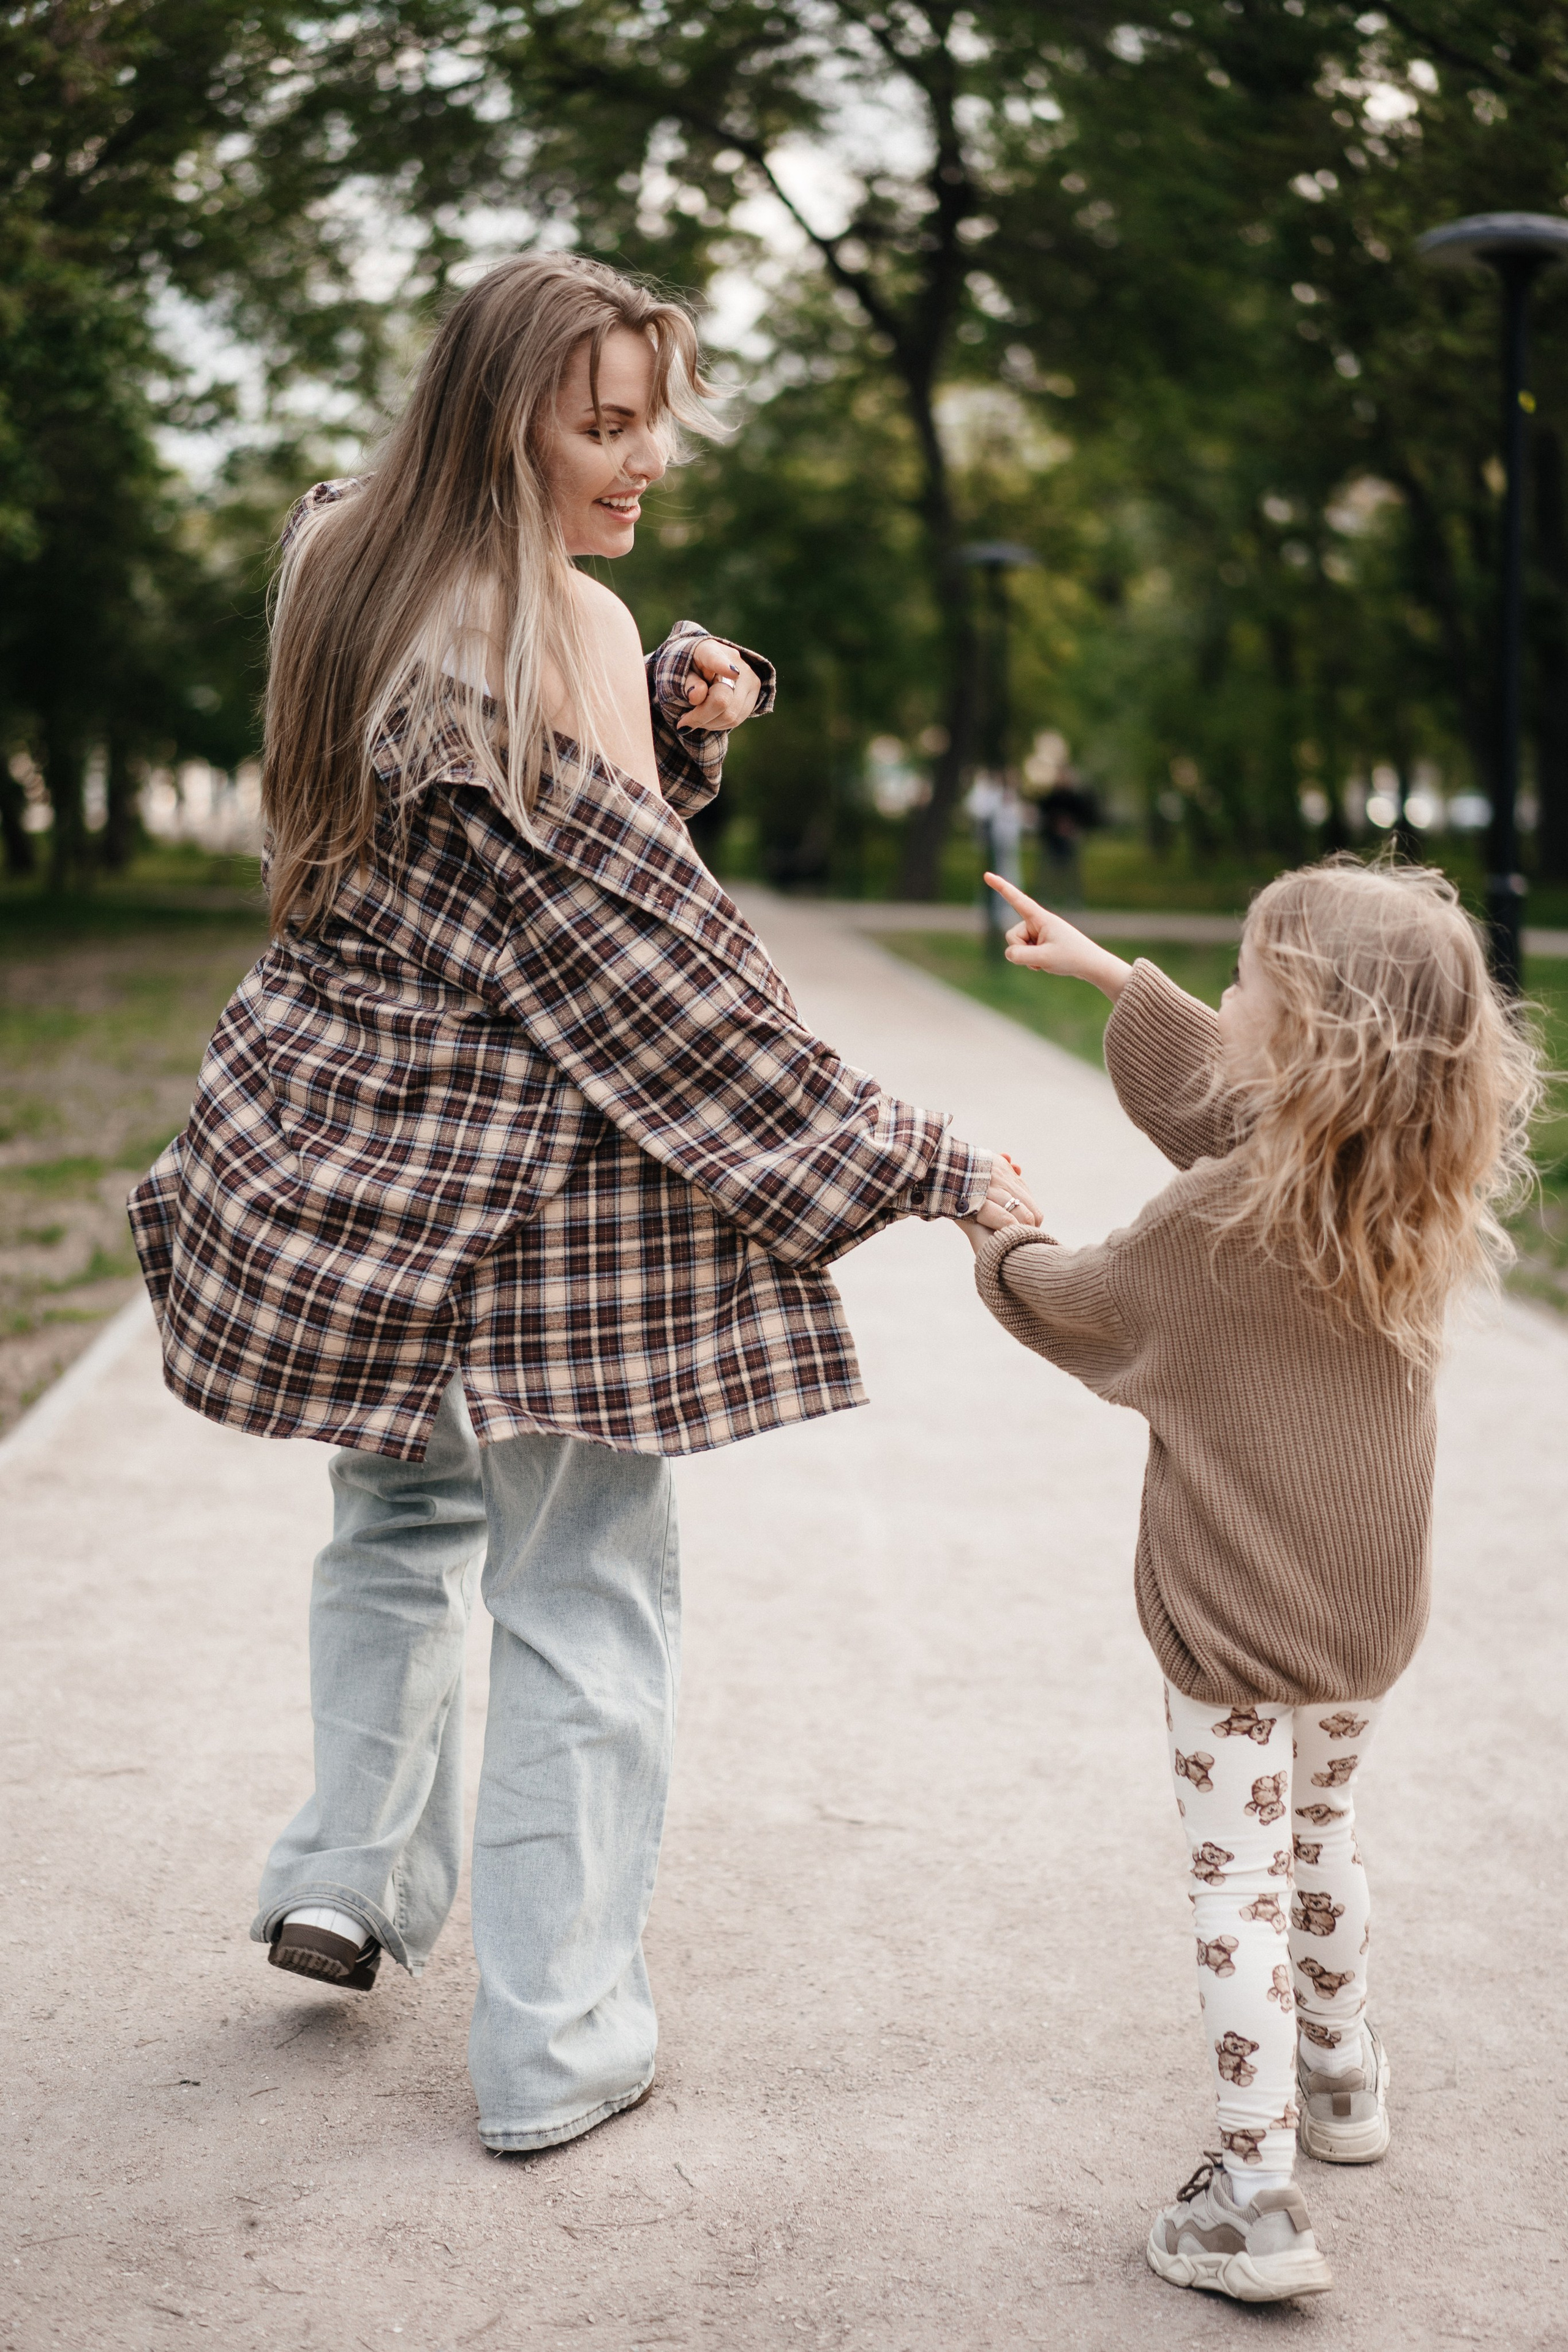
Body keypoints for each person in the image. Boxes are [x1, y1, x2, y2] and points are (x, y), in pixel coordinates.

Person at [127, 253, 1039, 2156]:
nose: (647, 461)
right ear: (502, 419)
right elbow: (645, 973)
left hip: (345, 1143)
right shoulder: (558, 622)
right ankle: (556, 2044)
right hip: (536, 1195)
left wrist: (666, 729)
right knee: (585, 1591)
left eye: (654, 420)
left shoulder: (335, 562)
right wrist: (928, 1159)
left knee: (393, 1511)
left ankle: (349, 1872)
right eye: (603, 424)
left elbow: (473, 865)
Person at [965, 857, 1538, 2303]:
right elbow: (1234, 1116)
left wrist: (988, 1219)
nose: (1218, 997)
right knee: (1321, 1835)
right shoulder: (1402, 1188)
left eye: (1240, 984)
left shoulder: (1202, 1234)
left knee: (1232, 1889)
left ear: (1302, 1045)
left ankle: (1250, 2196)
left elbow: (1066, 1305)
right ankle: (1342, 2076)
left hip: (1229, 1619)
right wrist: (1114, 980)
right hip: (1360, 1617)